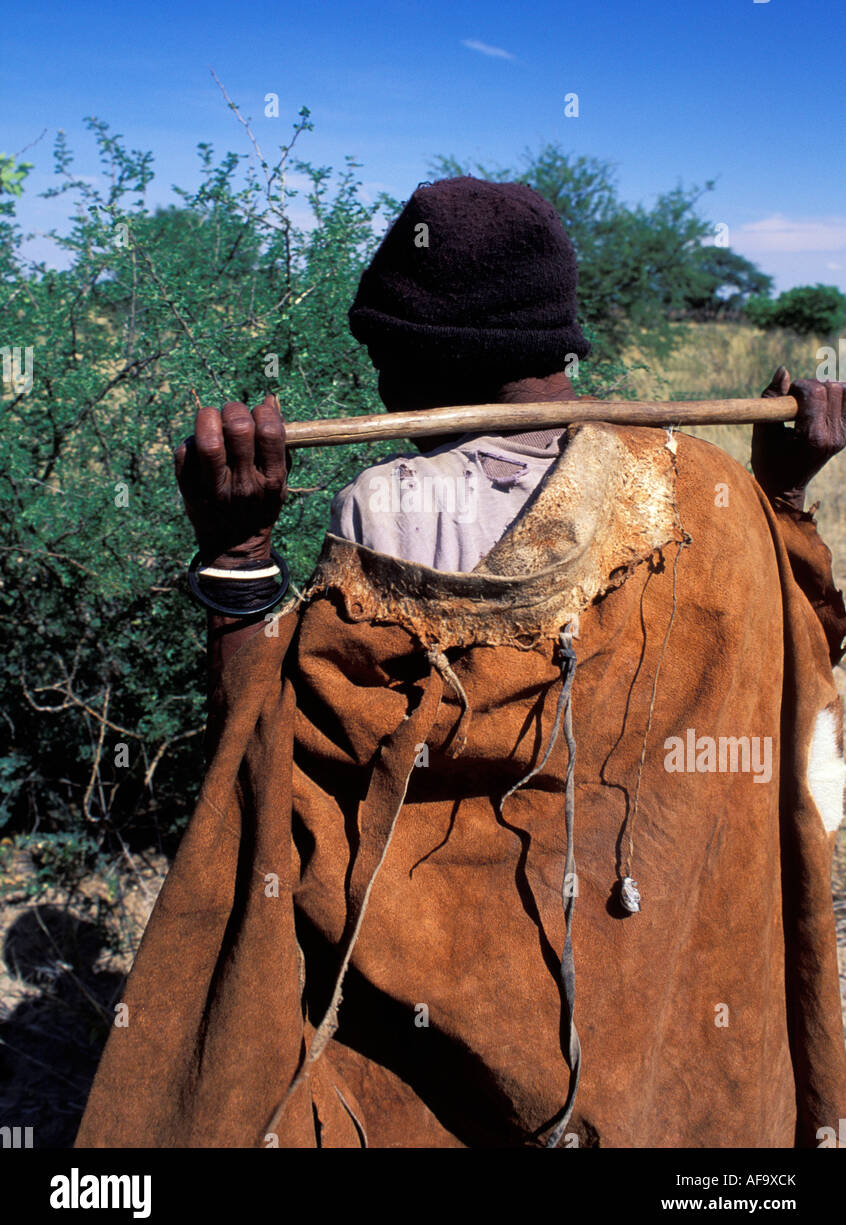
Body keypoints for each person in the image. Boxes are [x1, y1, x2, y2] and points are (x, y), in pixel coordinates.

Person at [76, 177, 846, 1149]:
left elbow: (275, 776)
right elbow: (802, 667)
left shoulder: (390, 509)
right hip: (668, 1053)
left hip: (445, 1077)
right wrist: (784, 491)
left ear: (406, 358)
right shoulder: (719, 494)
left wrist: (237, 559)